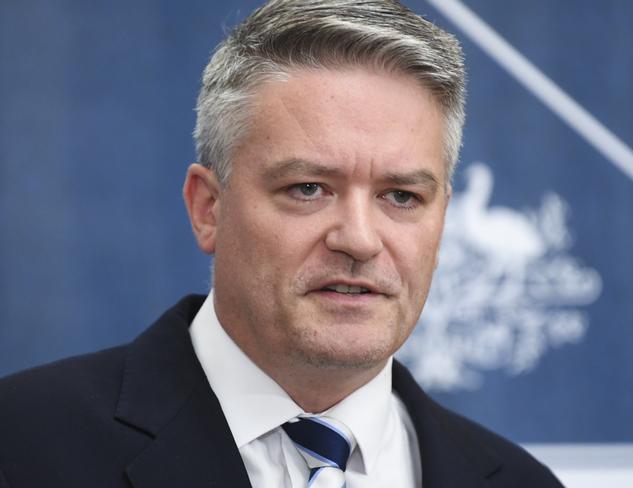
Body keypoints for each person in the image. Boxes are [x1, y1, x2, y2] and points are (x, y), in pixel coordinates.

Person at [0, 1, 564, 487]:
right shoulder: (23, 446)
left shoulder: (521, 482)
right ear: (208, 208)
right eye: (309, 188)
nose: (360, 241)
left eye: (401, 196)